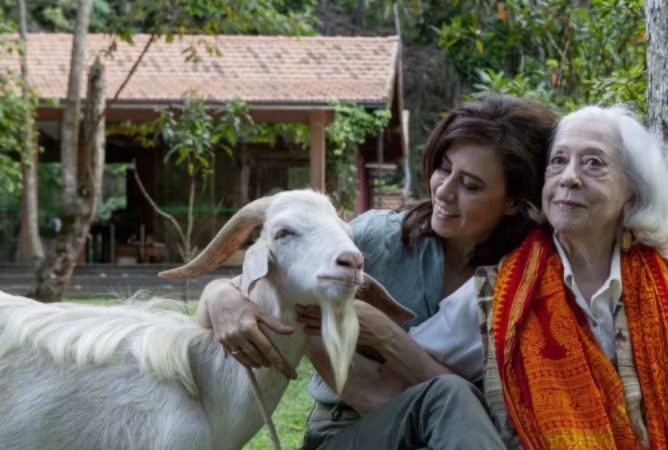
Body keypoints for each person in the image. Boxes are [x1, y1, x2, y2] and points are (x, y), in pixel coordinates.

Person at [198, 95, 557, 449]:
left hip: (460, 437)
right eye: (444, 168)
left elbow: (497, 415)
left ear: (514, 201)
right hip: (347, 434)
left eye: (470, 185)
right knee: (447, 396)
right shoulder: (375, 237)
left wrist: (385, 334)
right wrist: (220, 297)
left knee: (450, 398)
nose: (444, 192)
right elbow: (241, 287)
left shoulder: (528, 279)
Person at [486, 105, 668, 449]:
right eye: (558, 161)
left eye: (593, 163)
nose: (569, 177)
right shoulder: (502, 291)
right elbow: (433, 364)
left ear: (631, 191)